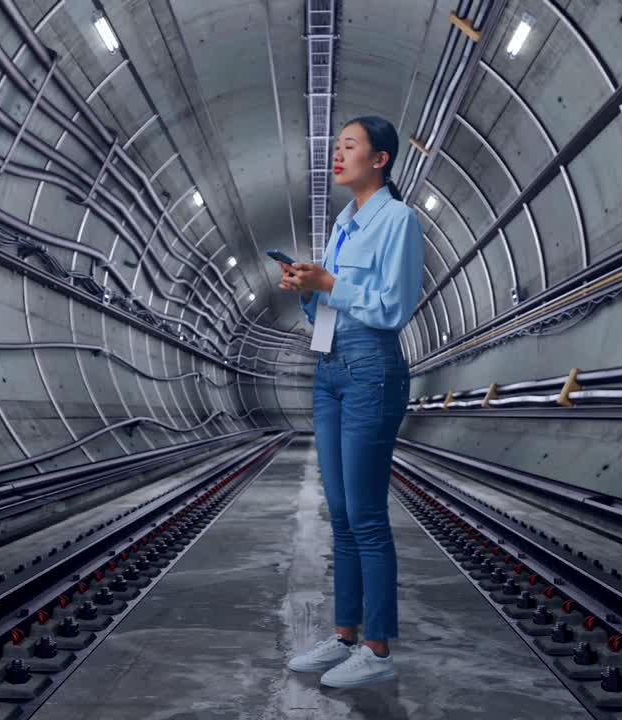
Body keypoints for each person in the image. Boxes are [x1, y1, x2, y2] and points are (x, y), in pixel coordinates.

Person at [275, 115, 424, 688]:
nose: (338, 154)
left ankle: (379, 651)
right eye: (336, 146)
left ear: (380, 159)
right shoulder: (343, 224)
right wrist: (309, 292)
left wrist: (333, 284)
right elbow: (336, 306)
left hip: (371, 370)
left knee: (365, 516)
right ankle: (344, 637)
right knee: (339, 515)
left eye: (350, 146)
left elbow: (393, 307)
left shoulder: (398, 221)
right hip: (331, 366)